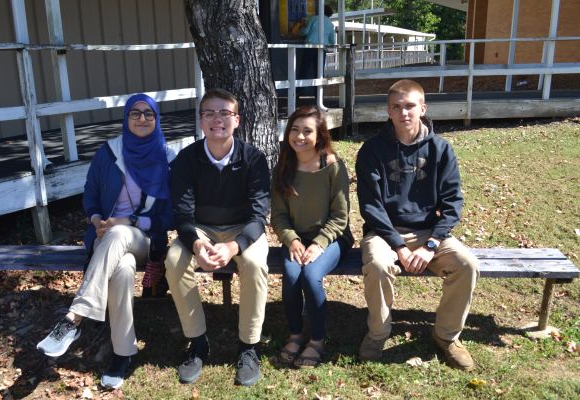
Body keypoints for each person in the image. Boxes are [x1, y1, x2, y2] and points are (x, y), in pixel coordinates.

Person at [36, 93, 175, 389]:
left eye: (148, 113)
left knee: (119, 233)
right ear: (126, 119)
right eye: (134, 113)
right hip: (107, 242)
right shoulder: (109, 152)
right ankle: (123, 354)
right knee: (122, 270)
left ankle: (73, 319)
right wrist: (97, 219)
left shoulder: (167, 157)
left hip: (145, 239)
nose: (141, 119)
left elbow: (171, 216)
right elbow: (90, 194)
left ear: (156, 118)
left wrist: (130, 221)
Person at [355, 79, 479, 371]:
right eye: (396, 107)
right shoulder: (372, 150)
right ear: (388, 111)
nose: (404, 113)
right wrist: (398, 246)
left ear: (422, 108)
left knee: (467, 264)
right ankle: (378, 334)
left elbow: (452, 203)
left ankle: (446, 336)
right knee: (377, 265)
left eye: (410, 106)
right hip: (384, 233)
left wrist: (431, 245)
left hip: (429, 232)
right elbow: (371, 206)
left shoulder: (441, 149)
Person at [165, 88, 270, 386]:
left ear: (236, 120)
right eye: (209, 113)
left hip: (241, 229)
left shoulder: (253, 159)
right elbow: (182, 214)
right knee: (174, 260)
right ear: (200, 121)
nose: (217, 119)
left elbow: (259, 216)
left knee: (253, 264)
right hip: (202, 228)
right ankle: (198, 343)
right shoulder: (187, 159)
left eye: (225, 113)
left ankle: (248, 347)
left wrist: (234, 246)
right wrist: (197, 244)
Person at [271, 106, 353, 368]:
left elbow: (340, 217)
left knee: (310, 275)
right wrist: (292, 240)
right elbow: (279, 216)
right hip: (297, 238)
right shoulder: (283, 167)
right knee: (292, 274)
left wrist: (320, 243)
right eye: (294, 130)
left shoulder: (333, 167)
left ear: (320, 135)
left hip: (332, 238)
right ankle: (295, 334)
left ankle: (317, 339)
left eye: (308, 131)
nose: (300, 137)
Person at [298, 4, 336, 99]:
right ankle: (318, 95)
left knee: (304, 70)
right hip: (321, 49)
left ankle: (297, 92)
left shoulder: (314, 18)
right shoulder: (330, 25)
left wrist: (300, 28)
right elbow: (332, 41)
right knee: (319, 73)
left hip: (310, 47)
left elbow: (305, 32)